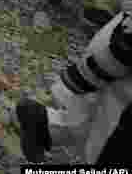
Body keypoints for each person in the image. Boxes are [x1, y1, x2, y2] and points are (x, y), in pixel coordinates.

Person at [15, 9, 132, 164]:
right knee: (108, 146)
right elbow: (122, 47)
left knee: (89, 119)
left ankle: (42, 125)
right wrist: (83, 78)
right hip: (114, 66)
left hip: (113, 62)